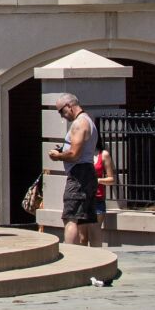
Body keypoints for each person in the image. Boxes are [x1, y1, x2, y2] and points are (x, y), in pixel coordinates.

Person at [48, 94, 98, 247]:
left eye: (61, 111)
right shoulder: (89, 121)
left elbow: (74, 154)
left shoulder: (79, 124)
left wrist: (58, 156)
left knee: (70, 218)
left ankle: (71, 256)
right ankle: (97, 256)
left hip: (79, 175)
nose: (62, 116)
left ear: (69, 105)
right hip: (88, 172)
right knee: (88, 218)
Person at [92, 137, 115, 245]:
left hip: (98, 198)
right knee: (82, 235)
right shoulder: (81, 153)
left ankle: (97, 258)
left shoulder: (103, 154)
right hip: (83, 198)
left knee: (95, 231)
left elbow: (111, 179)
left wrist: (98, 180)